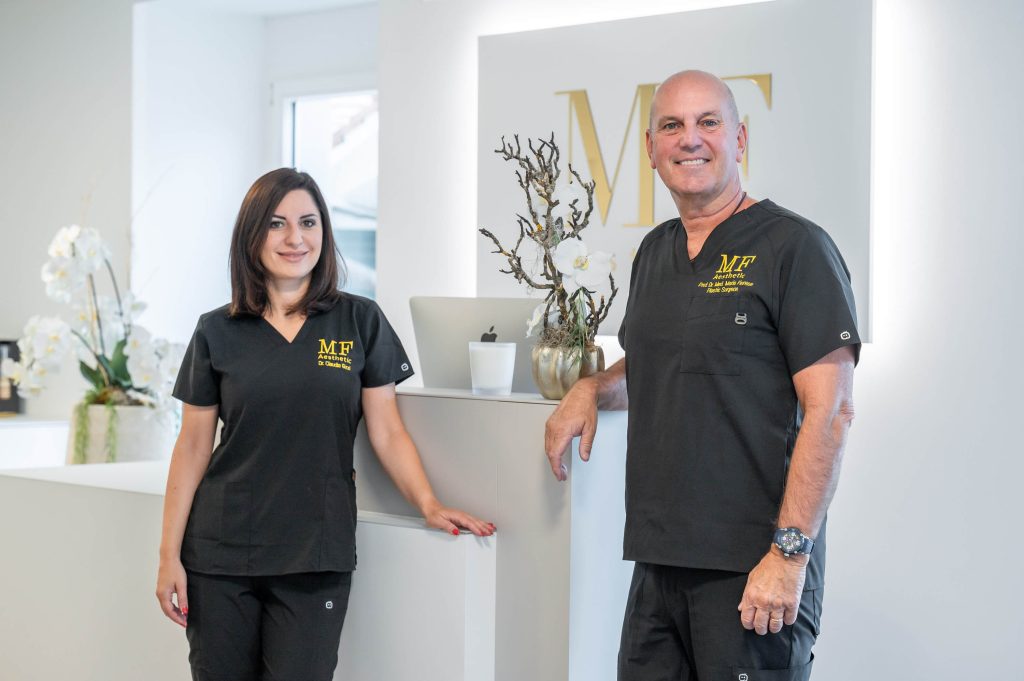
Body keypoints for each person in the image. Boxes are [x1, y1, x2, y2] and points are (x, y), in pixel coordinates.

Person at [544, 70, 860, 681]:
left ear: (739, 139)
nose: (690, 138)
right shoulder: (654, 253)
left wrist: (789, 555)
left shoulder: (796, 248)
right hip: (658, 565)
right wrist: (591, 387)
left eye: (707, 122)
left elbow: (832, 410)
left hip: (754, 569)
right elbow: (656, 364)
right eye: (672, 125)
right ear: (651, 149)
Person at [156, 168, 494, 681]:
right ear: (252, 235)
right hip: (220, 554)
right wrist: (168, 557)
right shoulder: (216, 330)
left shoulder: (360, 321)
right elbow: (193, 447)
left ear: (324, 232)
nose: (295, 238)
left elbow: (387, 431)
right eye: (277, 224)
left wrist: (428, 503)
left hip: (315, 553)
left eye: (308, 222)